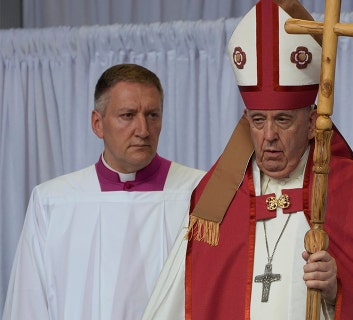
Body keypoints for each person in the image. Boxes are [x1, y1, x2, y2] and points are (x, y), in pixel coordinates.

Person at [143, 1, 353, 319]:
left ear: (313, 121)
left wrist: (336, 291)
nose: (269, 135)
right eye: (258, 121)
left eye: (283, 120)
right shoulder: (215, 198)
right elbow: (177, 303)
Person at [2, 64, 205, 320]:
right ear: (98, 124)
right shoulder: (54, 202)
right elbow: (28, 302)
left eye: (152, 115)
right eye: (128, 115)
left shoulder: (200, 192)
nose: (143, 130)